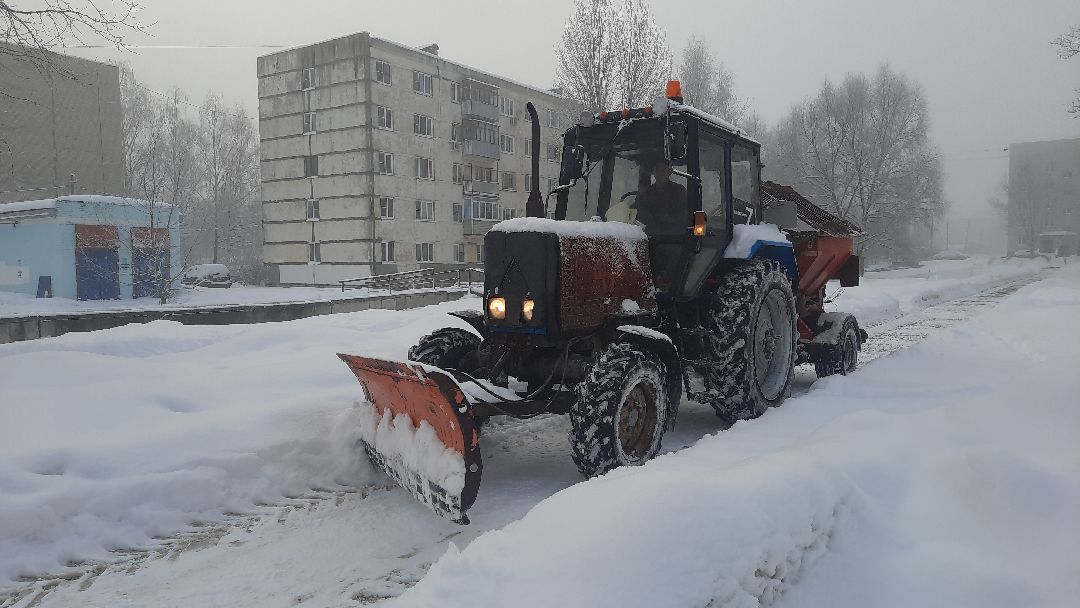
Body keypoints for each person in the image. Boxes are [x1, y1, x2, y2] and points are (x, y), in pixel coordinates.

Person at [630, 159, 688, 234]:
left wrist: (669, 218)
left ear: (669, 172)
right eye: (657, 170)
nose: (660, 173)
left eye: (663, 170)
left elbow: (685, 212)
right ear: (653, 172)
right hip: (649, 233)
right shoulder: (646, 192)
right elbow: (637, 210)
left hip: (674, 235)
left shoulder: (679, 190)